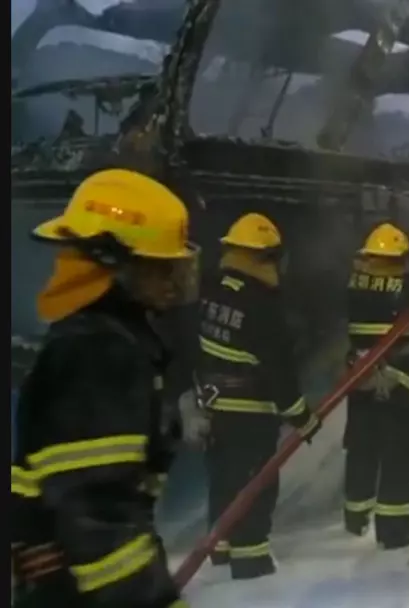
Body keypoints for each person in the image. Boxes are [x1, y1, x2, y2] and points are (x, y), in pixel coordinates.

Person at [11, 169, 196, 607]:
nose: (174, 280)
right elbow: (99, 519)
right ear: (115, 264)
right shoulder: (99, 352)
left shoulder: (98, 338)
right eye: (162, 266)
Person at [195, 212, 320, 580]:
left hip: (213, 407)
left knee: (224, 478)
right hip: (249, 412)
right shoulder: (262, 304)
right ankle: (251, 562)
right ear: (267, 257)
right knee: (254, 485)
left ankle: (220, 548)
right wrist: (301, 416)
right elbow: (279, 369)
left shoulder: (209, 289)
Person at [342, 222, 409, 549]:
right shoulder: (408, 287)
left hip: (360, 372)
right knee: (399, 450)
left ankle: (355, 519)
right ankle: (393, 532)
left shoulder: (355, 282)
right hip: (399, 373)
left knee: (362, 446)